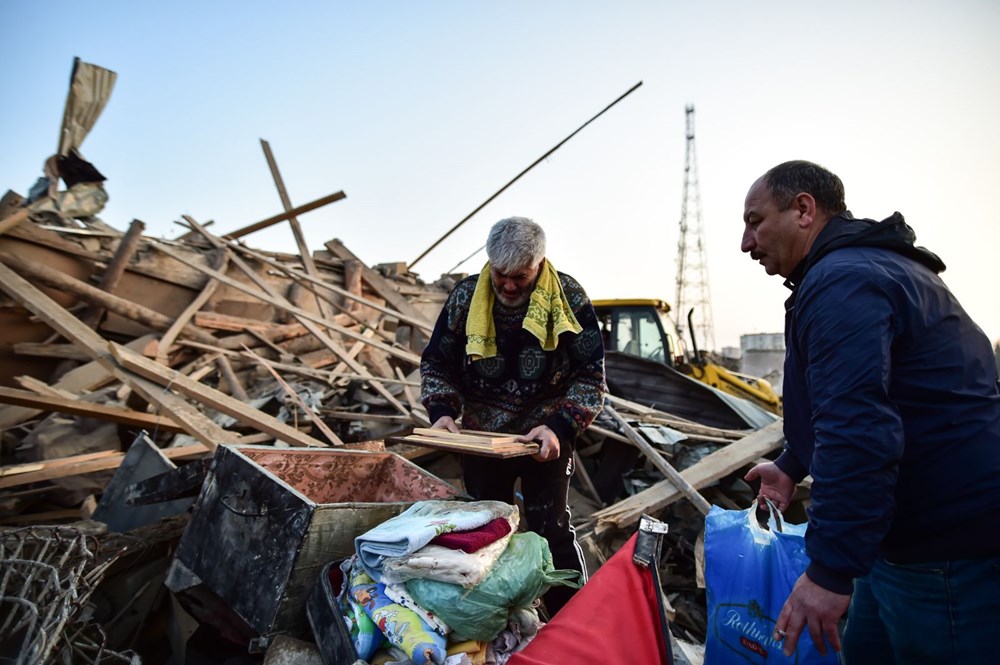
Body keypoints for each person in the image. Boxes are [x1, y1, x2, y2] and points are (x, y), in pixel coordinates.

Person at [740, 160, 1000, 664]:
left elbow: (858, 430)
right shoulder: (868, 268)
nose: (746, 243)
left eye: (755, 221)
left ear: (803, 210)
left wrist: (830, 571)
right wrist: (794, 464)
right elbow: (882, 398)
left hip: (945, 551)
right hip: (895, 541)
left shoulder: (845, 282)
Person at [420, 216, 606, 615]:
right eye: (500, 274)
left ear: (539, 265)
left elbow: (590, 378)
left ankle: (573, 621)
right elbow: (437, 363)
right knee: (486, 532)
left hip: (545, 438)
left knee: (551, 528)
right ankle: (500, 620)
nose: (507, 285)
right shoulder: (465, 297)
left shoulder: (569, 298)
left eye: (519, 277)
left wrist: (559, 427)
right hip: (481, 439)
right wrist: (442, 412)